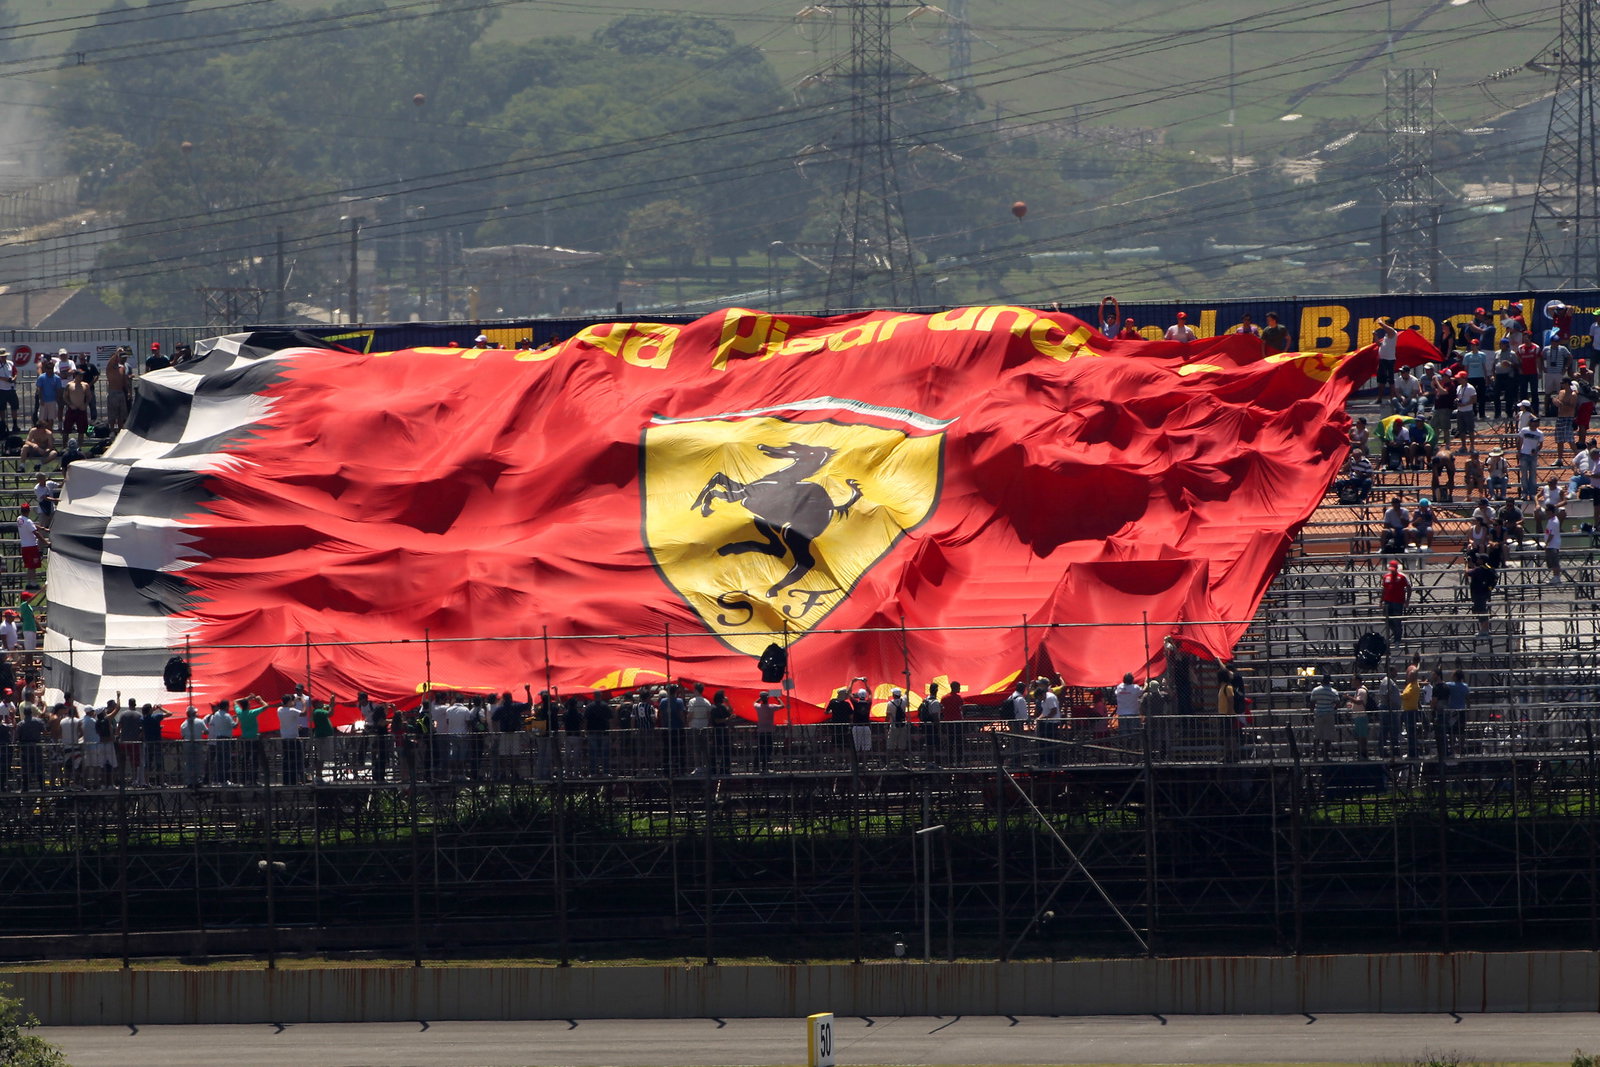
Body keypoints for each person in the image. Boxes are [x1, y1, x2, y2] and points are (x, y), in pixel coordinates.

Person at [1309, 675, 1339, 761]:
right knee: (1327, 735)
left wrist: (1311, 713)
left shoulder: (1315, 690)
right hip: (1329, 713)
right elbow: (1337, 703)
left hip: (1318, 713)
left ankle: (1315, 755)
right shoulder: (1333, 691)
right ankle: (1326, 755)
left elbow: (1312, 703)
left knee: (1317, 734)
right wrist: (1332, 709)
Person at [1381, 559, 1410, 644]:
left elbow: (1409, 588)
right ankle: (1395, 634)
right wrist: (1381, 600)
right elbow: (1384, 589)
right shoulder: (1386, 577)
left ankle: (1397, 638)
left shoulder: (1402, 577)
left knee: (1397, 620)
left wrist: (1407, 600)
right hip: (1388, 601)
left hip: (1398, 602)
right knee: (1387, 619)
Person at [105, 348, 132, 432]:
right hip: (113, 393)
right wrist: (117, 353)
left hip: (121, 392)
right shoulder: (110, 368)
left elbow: (125, 381)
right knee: (113, 415)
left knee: (122, 415)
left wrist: (128, 391)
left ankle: (120, 431)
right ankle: (112, 431)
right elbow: (110, 362)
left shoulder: (122, 368)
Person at [1519, 417, 1546, 499]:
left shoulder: (1540, 433)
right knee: (1524, 475)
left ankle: (1532, 493)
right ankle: (1524, 492)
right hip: (1524, 453)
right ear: (1530, 423)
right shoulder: (1524, 430)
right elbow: (1520, 440)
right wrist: (1519, 451)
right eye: (1534, 422)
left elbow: (1540, 445)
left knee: (1533, 475)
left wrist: (1536, 450)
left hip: (1533, 456)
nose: (1535, 424)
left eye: (1537, 422)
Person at [754, 690, 780, 772]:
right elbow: (783, 706)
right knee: (768, 749)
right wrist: (777, 698)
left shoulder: (758, 707)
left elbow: (754, 702)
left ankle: (756, 766)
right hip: (769, 731)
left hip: (761, 731)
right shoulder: (772, 707)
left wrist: (760, 698)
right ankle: (765, 767)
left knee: (760, 749)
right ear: (768, 698)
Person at [16, 504, 43, 577]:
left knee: (29, 566)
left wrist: (42, 528)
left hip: (24, 546)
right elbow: (35, 532)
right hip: (32, 546)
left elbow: (31, 525)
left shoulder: (19, 519)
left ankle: (30, 582)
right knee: (33, 567)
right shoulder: (28, 521)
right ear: (28, 511)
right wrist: (45, 542)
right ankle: (33, 583)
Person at [1545, 506, 1569, 583]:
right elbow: (1548, 531)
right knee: (1551, 561)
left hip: (1553, 544)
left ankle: (1557, 577)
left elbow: (1551, 534)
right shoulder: (1550, 520)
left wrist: (1547, 543)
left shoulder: (1554, 521)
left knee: (1555, 561)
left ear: (1552, 512)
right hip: (1550, 544)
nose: (1547, 514)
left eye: (1548, 512)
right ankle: (1555, 576)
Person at [1374, 316, 1398, 392]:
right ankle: (1379, 398)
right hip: (1383, 360)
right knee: (1381, 380)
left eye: (1387, 324)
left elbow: (1381, 324)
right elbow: (1379, 344)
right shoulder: (1387, 335)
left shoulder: (1393, 332)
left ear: (1391, 325)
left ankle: (1392, 398)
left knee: (1390, 380)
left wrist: (1380, 321)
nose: (1386, 326)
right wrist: (1375, 336)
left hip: (1389, 360)